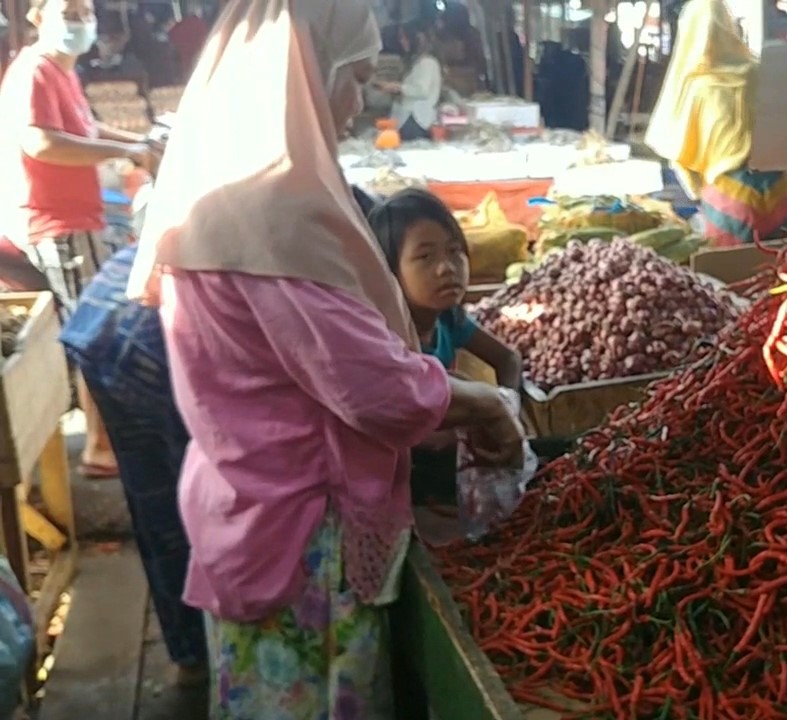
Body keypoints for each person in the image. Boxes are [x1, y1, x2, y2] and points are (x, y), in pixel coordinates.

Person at [126, 0, 524, 716]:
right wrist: (486, 405)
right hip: (300, 533)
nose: (355, 102)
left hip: (246, 494)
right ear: (304, 71)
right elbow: (373, 389)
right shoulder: (271, 212)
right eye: (354, 77)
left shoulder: (222, 185)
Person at [0, 0, 158, 480]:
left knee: (95, 326)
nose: (80, 23)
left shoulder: (60, 72)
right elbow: (41, 142)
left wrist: (142, 142)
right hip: (56, 221)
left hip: (73, 215)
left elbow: (84, 129)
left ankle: (102, 440)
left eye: (85, 13)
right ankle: (100, 447)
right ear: (39, 18)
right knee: (96, 334)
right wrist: (126, 149)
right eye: (67, 13)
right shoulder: (36, 71)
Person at [58, 243, 207, 689]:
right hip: (150, 325)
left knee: (161, 501)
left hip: (110, 309)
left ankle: (190, 652)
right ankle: (204, 650)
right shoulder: (350, 237)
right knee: (194, 502)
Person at [645, 0, 787, 247]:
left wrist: (699, 193)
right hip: (783, 192)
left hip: (731, 200)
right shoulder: (760, 72)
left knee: (734, 278)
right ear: (730, 27)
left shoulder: (697, 87)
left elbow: (680, 157)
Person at [368, 189, 521, 386]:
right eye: (425, 256)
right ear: (389, 269)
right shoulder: (388, 342)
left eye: (453, 250)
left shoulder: (448, 319)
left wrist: (508, 401)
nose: (446, 268)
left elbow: (509, 359)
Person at [378, 20, 443, 141]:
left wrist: (398, 87)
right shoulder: (416, 62)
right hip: (408, 117)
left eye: (404, 38)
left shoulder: (427, 63)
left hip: (416, 119)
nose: (401, 41)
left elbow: (422, 91)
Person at [167, 4, 210, 81]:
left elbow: (170, 37)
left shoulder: (177, 28)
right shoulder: (200, 24)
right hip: (201, 66)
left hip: (187, 70)